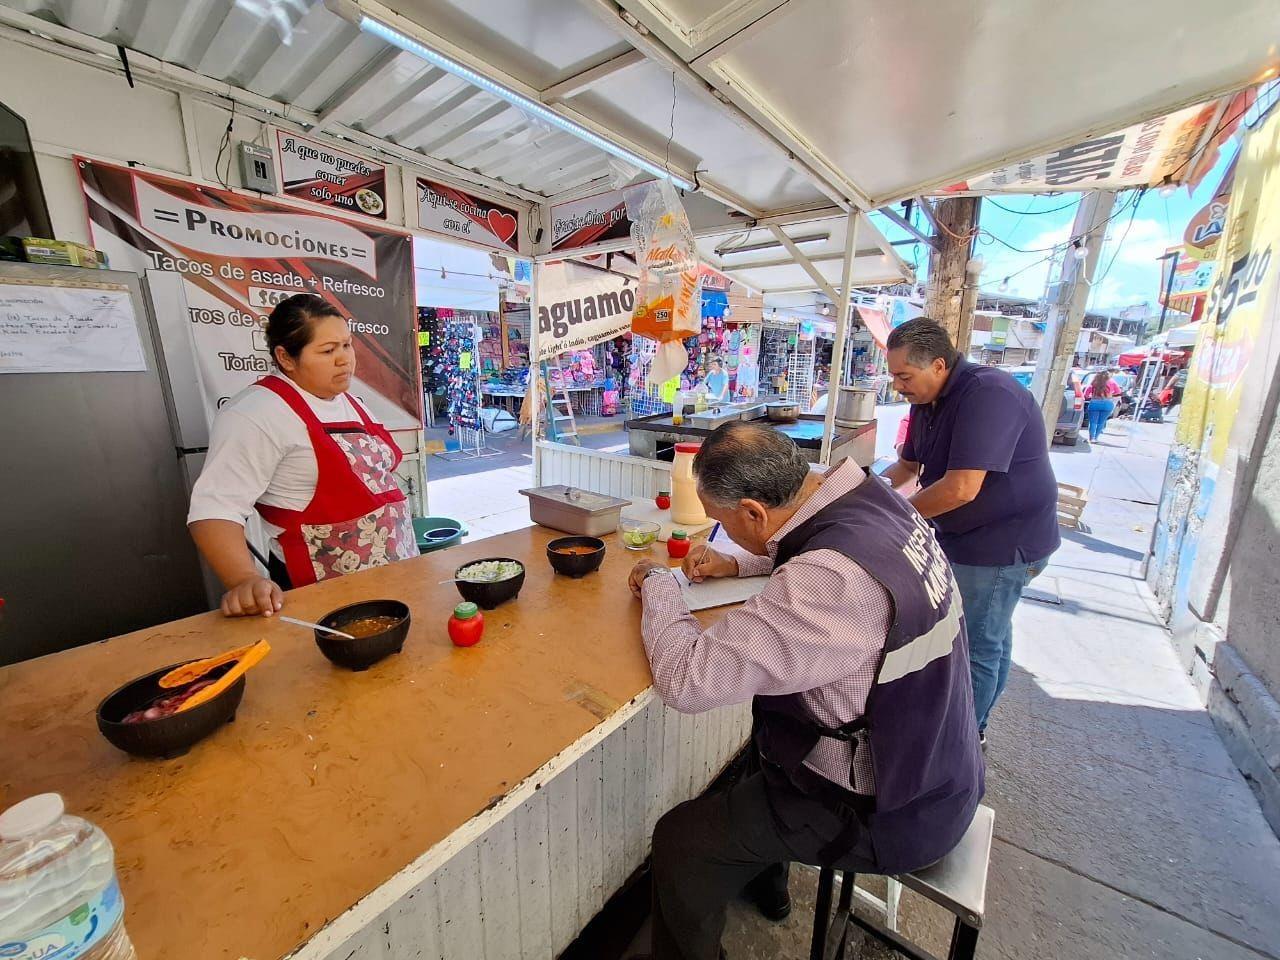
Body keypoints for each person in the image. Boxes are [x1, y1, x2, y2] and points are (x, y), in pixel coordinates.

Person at [628, 422, 983, 960]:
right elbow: (819, 544)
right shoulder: (875, 499)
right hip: (940, 760)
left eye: (721, 525)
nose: (720, 533)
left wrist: (659, 587)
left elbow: (685, 679)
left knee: (683, 841)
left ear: (753, 512)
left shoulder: (830, 582)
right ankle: (768, 888)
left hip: (891, 809)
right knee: (760, 756)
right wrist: (739, 561)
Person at [880, 318, 1059, 747]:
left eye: (904, 376)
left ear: (938, 364)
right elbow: (907, 468)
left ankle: (959, 744)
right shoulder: (927, 400)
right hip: (963, 534)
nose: (898, 386)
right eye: (894, 377)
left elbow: (961, 488)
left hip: (1002, 541)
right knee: (991, 633)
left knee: (974, 645)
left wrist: (889, 518)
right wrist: (867, 492)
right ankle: (975, 725)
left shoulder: (989, 394)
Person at [188, 294, 419, 618]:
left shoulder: (351, 402)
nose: (344, 360)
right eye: (327, 351)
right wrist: (243, 579)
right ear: (285, 357)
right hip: (324, 592)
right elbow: (213, 509)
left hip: (395, 575)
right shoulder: (257, 413)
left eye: (347, 345)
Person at [1083, 370, 1122, 442]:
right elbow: (1118, 392)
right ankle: (1096, 438)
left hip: (1095, 403)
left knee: (1093, 422)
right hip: (1108, 403)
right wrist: (1111, 395)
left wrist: (1092, 395)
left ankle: (1091, 438)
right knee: (1101, 422)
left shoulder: (1094, 382)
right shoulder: (1112, 382)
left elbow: (1086, 394)